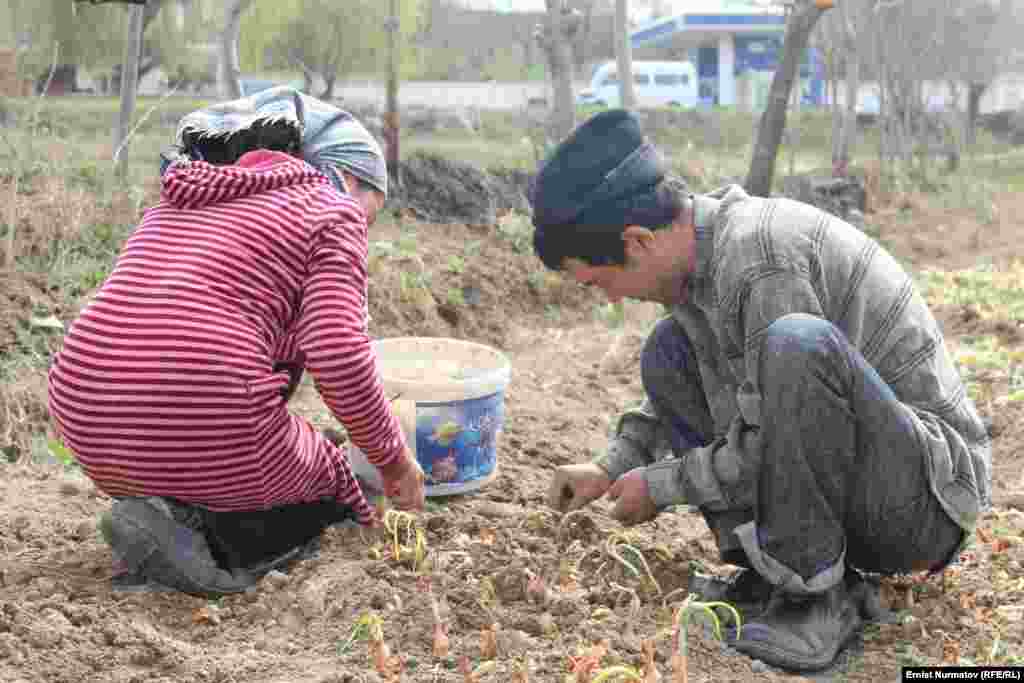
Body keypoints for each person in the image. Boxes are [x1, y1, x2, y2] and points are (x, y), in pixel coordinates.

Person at [531, 110, 990, 672]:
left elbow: (773, 430)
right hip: (866, 481)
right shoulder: (702, 257)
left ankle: (812, 594)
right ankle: (773, 575)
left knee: (795, 346)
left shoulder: (758, 259)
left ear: (638, 240)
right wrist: (611, 467)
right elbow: (707, 381)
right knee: (669, 349)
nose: (610, 299)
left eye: (601, 282)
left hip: (925, 502)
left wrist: (663, 484)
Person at [48, 87, 425, 597]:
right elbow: (337, 351)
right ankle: (219, 553)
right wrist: (394, 460)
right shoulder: (330, 211)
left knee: (260, 443)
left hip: (85, 413)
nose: (364, 227)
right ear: (346, 176)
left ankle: (169, 512)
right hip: (202, 403)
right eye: (369, 212)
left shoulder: (179, 199)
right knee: (334, 483)